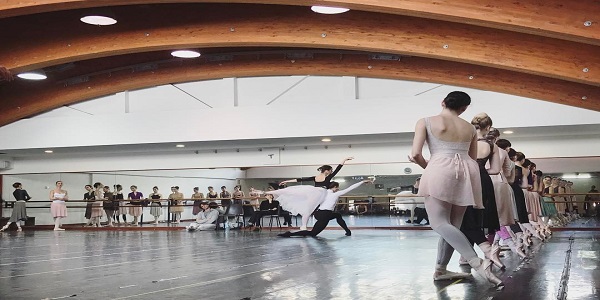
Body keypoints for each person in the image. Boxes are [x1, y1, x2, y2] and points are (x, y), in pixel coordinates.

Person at [408, 91, 502, 286]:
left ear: (443, 102)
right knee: (452, 225)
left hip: (440, 166)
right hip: (468, 170)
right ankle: (440, 270)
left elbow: (416, 154)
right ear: (464, 108)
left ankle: (477, 263)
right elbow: (473, 156)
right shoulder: (469, 127)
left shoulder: (425, 121)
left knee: (439, 223)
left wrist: (428, 166)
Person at [277, 156, 354, 230]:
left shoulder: (315, 178)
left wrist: (286, 181)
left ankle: (304, 226)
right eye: (331, 170)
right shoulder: (327, 177)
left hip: (317, 196)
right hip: (321, 196)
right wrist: (344, 160)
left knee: (308, 211)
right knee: (308, 210)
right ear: (326, 171)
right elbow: (338, 168)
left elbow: (300, 180)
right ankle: (304, 226)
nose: (332, 172)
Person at [278, 179, 371, 237]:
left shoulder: (323, 192)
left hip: (318, 214)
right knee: (312, 233)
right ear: (334, 187)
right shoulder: (335, 194)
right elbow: (350, 188)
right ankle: (290, 234)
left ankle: (348, 231)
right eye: (337, 188)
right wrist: (362, 182)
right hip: (325, 215)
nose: (338, 189)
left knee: (337, 215)